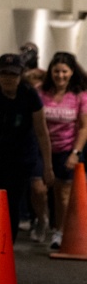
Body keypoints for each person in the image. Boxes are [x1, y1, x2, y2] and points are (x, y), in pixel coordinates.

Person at [0, 54, 53, 241]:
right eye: (4, 73)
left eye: (13, 74)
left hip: (22, 156)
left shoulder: (29, 94)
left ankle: (7, 242)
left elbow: (42, 132)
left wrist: (47, 167)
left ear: (20, 75)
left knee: (12, 200)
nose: (8, 78)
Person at [37, 52, 87, 249]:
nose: (60, 76)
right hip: (42, 148)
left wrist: (75, 153)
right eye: (56, 71)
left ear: (71, 72)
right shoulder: (41, 91)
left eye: (64, 72)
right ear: (51, 72)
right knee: (39, 189)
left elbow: (84, 127)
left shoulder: (79, 95)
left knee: (62, 193)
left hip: (67, 148)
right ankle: (42, 219)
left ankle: (59, 231)